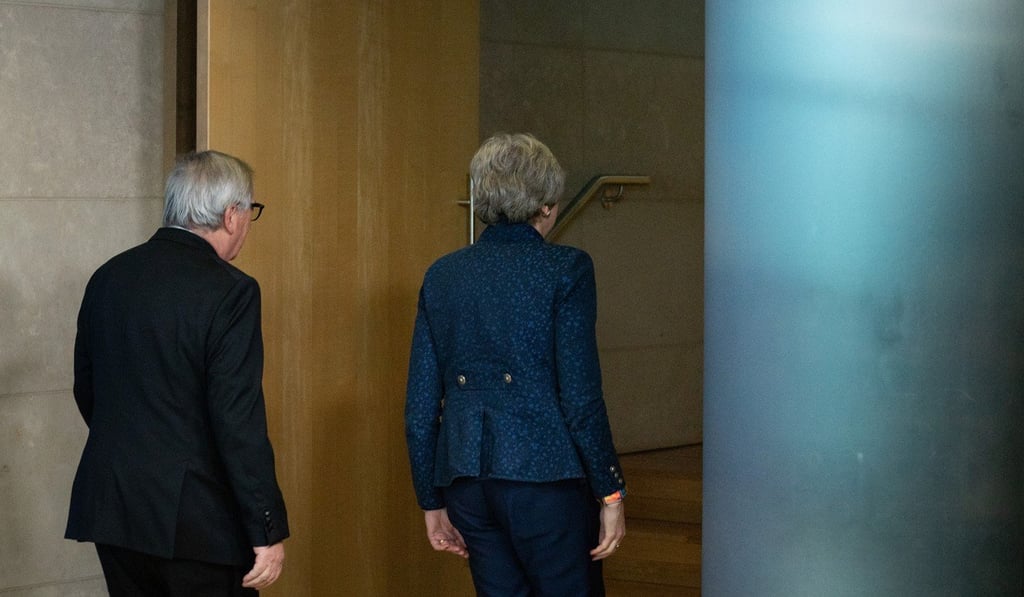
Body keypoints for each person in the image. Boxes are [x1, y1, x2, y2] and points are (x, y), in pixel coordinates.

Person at [405, 133, 627, 596]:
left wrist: (431, 498)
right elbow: (581, 397)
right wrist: (611, 491)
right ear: (546, 205)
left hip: (466, 483)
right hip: (547, 480)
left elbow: (421, 407)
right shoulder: (565, 269)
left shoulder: (443, 275)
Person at [66, 150, 289, 596]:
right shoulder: (232, 291)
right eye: (250, 212)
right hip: (199, 522)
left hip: (115, 509)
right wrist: (266, 528)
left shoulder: (109, 276)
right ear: (231, 215)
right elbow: (237, 420)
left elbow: (86, 387)